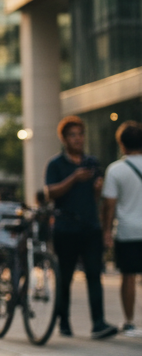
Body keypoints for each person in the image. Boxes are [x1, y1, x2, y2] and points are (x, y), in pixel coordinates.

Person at [44, 115, 116, 339]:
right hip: (65, 228)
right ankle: (63, 321)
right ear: (64, 139)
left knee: (94, 274)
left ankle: (98, 322)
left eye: (80, 134)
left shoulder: (92, 163)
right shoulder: (56, 164)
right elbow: (50, 193)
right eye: (73, 135)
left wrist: (97, 188)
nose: (78, 139)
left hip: (90, 227)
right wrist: (74, 178)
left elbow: (97, 199)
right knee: (64, 276)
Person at [101, 121, 142, 336]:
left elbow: (109, 205)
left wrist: (106, 231)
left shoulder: (116, 170)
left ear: (121, 144)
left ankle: (130, 322)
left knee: (128, 276)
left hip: (127, 230)